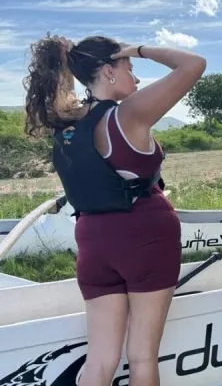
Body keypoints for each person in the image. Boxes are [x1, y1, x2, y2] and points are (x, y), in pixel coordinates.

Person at [22, 34, 206, 385]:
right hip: (144, 238)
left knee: (100, 360)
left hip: (92, 242)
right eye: (129, 67)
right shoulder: (128, 114)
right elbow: (193, 65)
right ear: (108, 71)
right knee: (141, 356)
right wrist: (138, 48)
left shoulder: (66, 122)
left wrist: (120, 57)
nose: (136, 77)